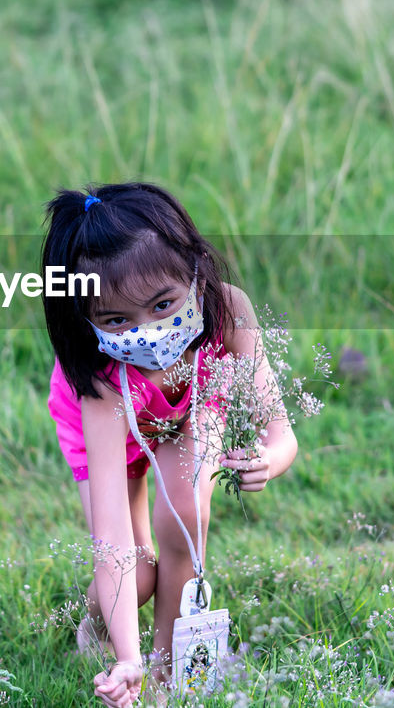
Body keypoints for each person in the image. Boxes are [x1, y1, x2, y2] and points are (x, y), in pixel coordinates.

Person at [41, 182, 299, 707]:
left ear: (197, 272)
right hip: (113, 424)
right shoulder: (100, 378)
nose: (149, 331)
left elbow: (281, 432)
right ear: (85, 319)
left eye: (164, 304)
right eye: (117, 319)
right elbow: (111, 539)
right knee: (133, 575)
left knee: (186, 513)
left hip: (191, 408)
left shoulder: (228, 312)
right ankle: (100, 630)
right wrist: (124, 656)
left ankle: (164, 679)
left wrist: (269, 461)